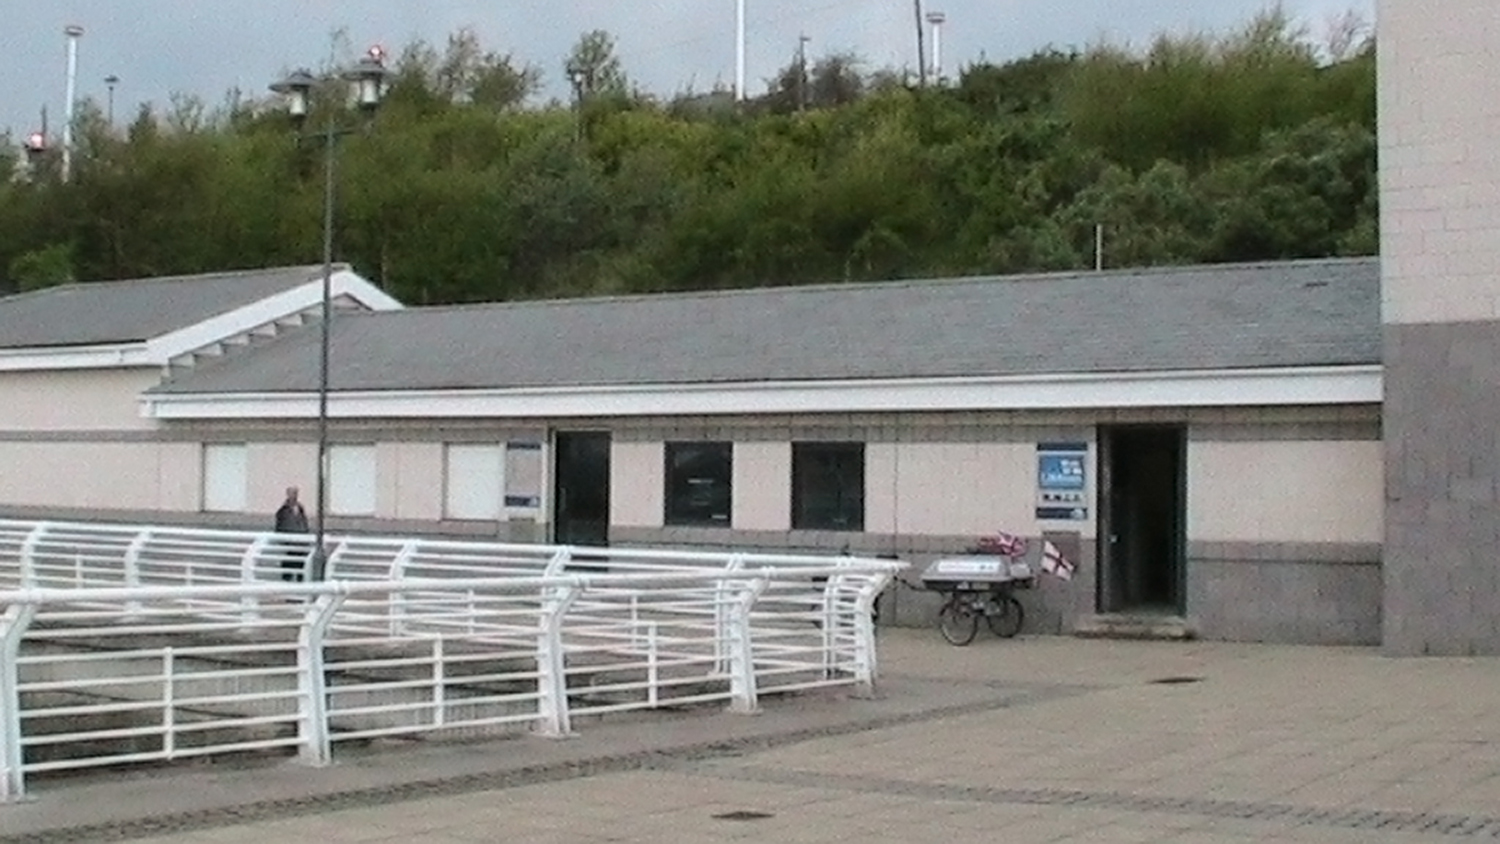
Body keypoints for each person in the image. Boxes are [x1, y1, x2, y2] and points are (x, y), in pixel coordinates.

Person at [273, 486, 311, 582]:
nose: (294, 496)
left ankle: (299, 583)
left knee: (300, 566)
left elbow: (304, 522)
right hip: (290, 543)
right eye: (292, 493)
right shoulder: (283, 510)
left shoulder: (300, 508)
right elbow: (280, 525)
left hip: (301, 542)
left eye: (295, 493)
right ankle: (287, 584)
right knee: (289, 565)